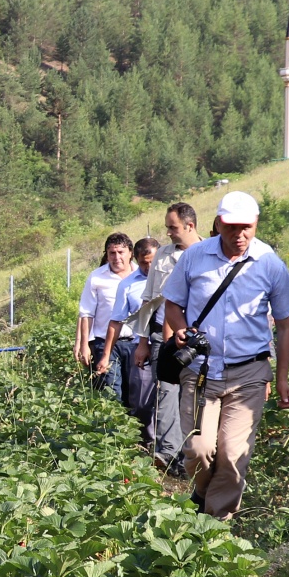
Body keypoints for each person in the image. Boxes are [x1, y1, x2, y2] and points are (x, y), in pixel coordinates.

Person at [162, 191, 289, 520]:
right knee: (198, 449)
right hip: (200, 370)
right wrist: (181, 329)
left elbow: (286, 326)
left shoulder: (269, 263)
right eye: (231, 227)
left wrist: (281, 380)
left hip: (249, 374)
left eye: (246, 228)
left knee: (232, 453)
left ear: (255, 225)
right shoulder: (195, 257)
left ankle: (214, 526)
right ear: (218, 223)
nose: (238, 235)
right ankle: (200, 491)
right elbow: (172, 303)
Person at [133, 203, 201, 475]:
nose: (169, 232)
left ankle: (192, 456)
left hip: (196, 340)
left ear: (189, 226)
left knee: (195, 397)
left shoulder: (208, 254)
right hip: (163, 335)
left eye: (172, 227)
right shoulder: (162, 255)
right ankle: (167, 453)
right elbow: (148, 301)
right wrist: (142, 342)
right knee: (166, 394)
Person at [97, 237, 159, 436]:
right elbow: (116, 321)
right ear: (136, 259)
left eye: (153, 262)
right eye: (144, 263)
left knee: (169, 400)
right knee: (140, 402)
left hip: (169, 345)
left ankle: (166, 450)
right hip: (142, 349)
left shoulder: (173, 277)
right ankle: (142, 442)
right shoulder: (127, 285)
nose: (149, 267)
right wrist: (106, 355)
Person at [76, 233, 135, 398]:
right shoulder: (96, 277)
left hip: (136, 343)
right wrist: (84, 345)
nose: (116, 257)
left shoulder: (142, 275)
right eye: (112, 253)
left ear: (130, 252)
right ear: (106, 255)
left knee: (135, 394)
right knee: (112, 392)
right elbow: (86, 313)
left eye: (121, 252)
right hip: (105, 344)